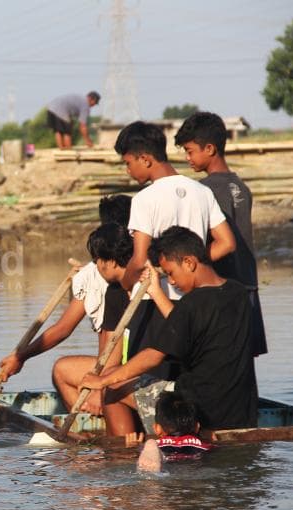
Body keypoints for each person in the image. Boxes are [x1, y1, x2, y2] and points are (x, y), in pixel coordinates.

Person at [104, 121, 237, 436]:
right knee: (184, 386)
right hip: (194, 303)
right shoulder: (201, 190)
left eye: (128, 163)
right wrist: (191, 265)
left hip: (155, 304)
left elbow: (138, 259)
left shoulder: (145, 199)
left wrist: (128, 284)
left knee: (144, 388)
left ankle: (144, 449)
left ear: (145, 159)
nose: (128, 171)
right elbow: (226, 243)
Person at [82, 226, 259, 436]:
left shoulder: (191, 304)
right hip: (242, 411)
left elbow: (153, 356)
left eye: (171, 273)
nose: (172, 281)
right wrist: (156, 291)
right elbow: (183, 322)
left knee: (113, 384)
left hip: (197, 410)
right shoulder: (238, 293)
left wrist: (102, 381)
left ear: (189, 263)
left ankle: (122, 453)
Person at [0, 195, 132, 412]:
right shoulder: (149, 271)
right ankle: (92, 414)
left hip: (115, 369)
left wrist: (20, 356)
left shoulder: (96, 277)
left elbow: (63, 329)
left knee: (61, 370)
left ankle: (86, 422)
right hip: (120, 366)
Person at [174, 111, 267, 357]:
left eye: (190, 150)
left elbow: (222, 243)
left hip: (223, 290)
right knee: (243, 363)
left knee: (216, 361)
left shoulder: (204, 191)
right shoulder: (240, 187)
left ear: (210, 149)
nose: (187, 158)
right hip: (248, 287)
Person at [132, 391, 214, 473]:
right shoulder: (205, 445)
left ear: (158, 429)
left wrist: (133, 446)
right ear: (197, 427)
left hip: (164, 455)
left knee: (151, 445)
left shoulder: (159, 444)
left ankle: (150, 444)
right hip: (195, 460)